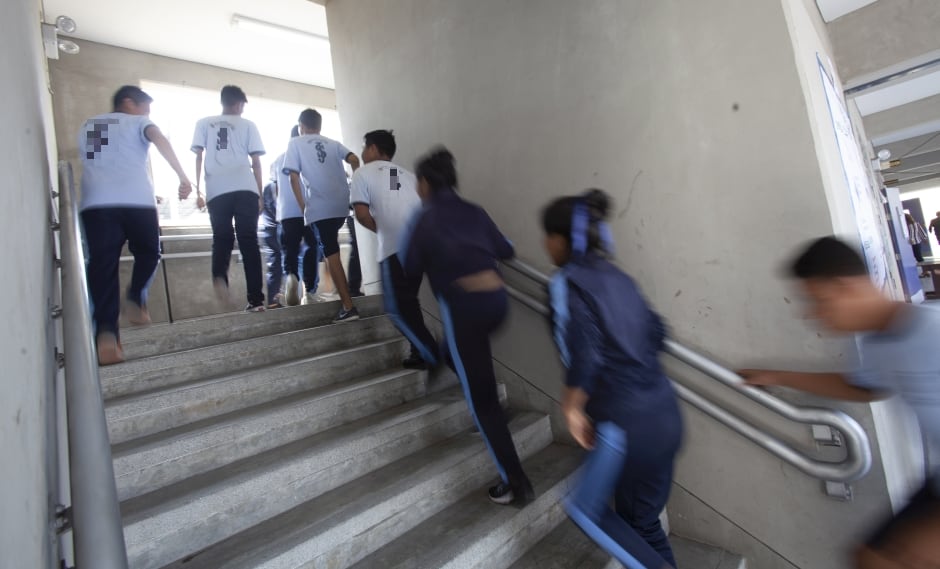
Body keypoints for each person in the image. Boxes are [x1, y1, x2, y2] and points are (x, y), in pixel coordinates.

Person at [740, 236, 940, 569]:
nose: (813, 315)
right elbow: (862, 387)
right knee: (869, 558)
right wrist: (778, 376)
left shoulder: (931, 333)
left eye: (819, 301)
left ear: (846, 287)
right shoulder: (879, 341)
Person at [542, 189, 682, 569]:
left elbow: (585, 355)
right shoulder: (620, 278)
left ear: (560, 239)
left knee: (587, 509)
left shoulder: (566, 283)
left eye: (547, 236)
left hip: (626, 426)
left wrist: (572, 407)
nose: (544, 245)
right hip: (666, 414)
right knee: (642, 524)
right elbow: (658, 334)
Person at [401, 146, 533, 504]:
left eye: (417, 183)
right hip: (496, 304)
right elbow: (505, 249)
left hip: (464, 309)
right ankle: (445, 357)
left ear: (426, 183)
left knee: (484, 403)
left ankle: (516, 482)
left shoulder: (424, 218)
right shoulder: (475, 211)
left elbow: (408, 265)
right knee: (461, 351)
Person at [78, 85, 193, 365]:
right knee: (149, 252)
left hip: (97, 204)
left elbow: (100, 162)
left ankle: (106, 334)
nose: (147, 113)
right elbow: (159, 139)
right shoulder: (139, 121)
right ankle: (135, 295)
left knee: (102, 267)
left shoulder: (92, 125)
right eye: (146, 107)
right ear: (129, 103)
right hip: (137, 202)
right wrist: (182, 176)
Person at [351, 130, 436, 369]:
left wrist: (385, 231)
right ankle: (417, 352)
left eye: (365, 147)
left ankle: (430, 351)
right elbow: (398, 201)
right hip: (418, 247)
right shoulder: (403, 175)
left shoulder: (362, 173)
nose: (363, 152)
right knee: (409, 301)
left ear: (375, 149)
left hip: (393, 249)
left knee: (396, 308)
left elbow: (361, 214)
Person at [191, 85, 267, 312]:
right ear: (238, 104)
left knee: (222, 237)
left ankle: (219, 278)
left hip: (216, 189)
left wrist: (198, 191)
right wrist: (260, 194)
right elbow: (256, 162)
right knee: (248, 240)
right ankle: (256, 300)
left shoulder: (203, 123)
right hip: (245, 187)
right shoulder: (248, 125)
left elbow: (198, 157)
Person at [283, 108, 361, 322]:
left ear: (301, 126)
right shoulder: (333, 142)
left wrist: (303, 207)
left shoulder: (295, 143)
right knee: (331, 248)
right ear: (319, 126)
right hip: (341, 206)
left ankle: (348, 307)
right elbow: (354, 159)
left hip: (320, 206)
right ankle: (347, 298)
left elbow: (292, 177)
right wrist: (355, 188)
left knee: (332, 255)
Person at [276, 125, 321, 306]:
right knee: (312, 247)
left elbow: (277, 189)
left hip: (287, 212)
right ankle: (309, 291)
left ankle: (291, 276)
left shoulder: (279, 160)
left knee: (291, 249)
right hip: (310, 210)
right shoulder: (312, 157)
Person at [261, 163, 283, 309]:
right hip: (273, 230)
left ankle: (274, 300)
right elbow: (277, 208)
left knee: (276, 266)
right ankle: (273, 301)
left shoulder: (271, 186)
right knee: (276, 266)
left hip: (271, 230)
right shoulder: (272, 186)